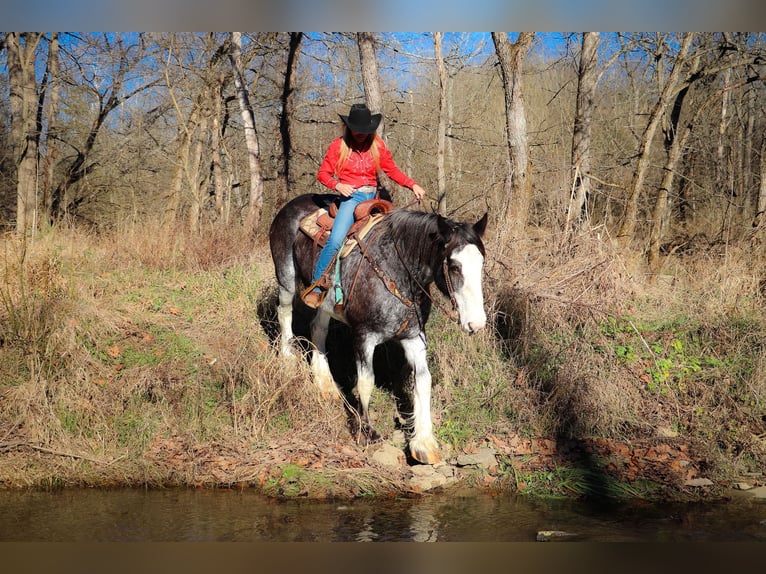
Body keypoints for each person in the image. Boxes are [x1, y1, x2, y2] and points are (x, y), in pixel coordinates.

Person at [302, 103, 426, 309]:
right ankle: (316, 286)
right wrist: (338, 185)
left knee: (398, 233)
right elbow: (323, 174)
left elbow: (392, 170)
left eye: (365, 131)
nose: (360, 134)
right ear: (349, 127)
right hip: (352, 199)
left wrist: (412, 184)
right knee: (335, 240)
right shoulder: (338, 146)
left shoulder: (377, 146)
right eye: (357, 130)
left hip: (374, 198)